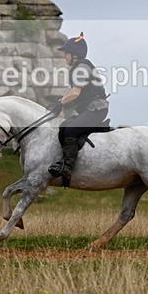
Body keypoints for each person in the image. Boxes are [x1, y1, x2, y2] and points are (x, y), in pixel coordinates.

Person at [48, 33, 109, 184]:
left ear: (74, 55)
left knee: (70, 131)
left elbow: (75, 92)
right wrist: (59, 102)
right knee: (63, 127)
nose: (64, 57)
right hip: (90, 109)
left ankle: (68, 167)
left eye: (66, 53)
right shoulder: (78, 67)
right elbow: (72, 93)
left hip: (96, 109)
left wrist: (60, 103)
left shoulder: (81, 68)